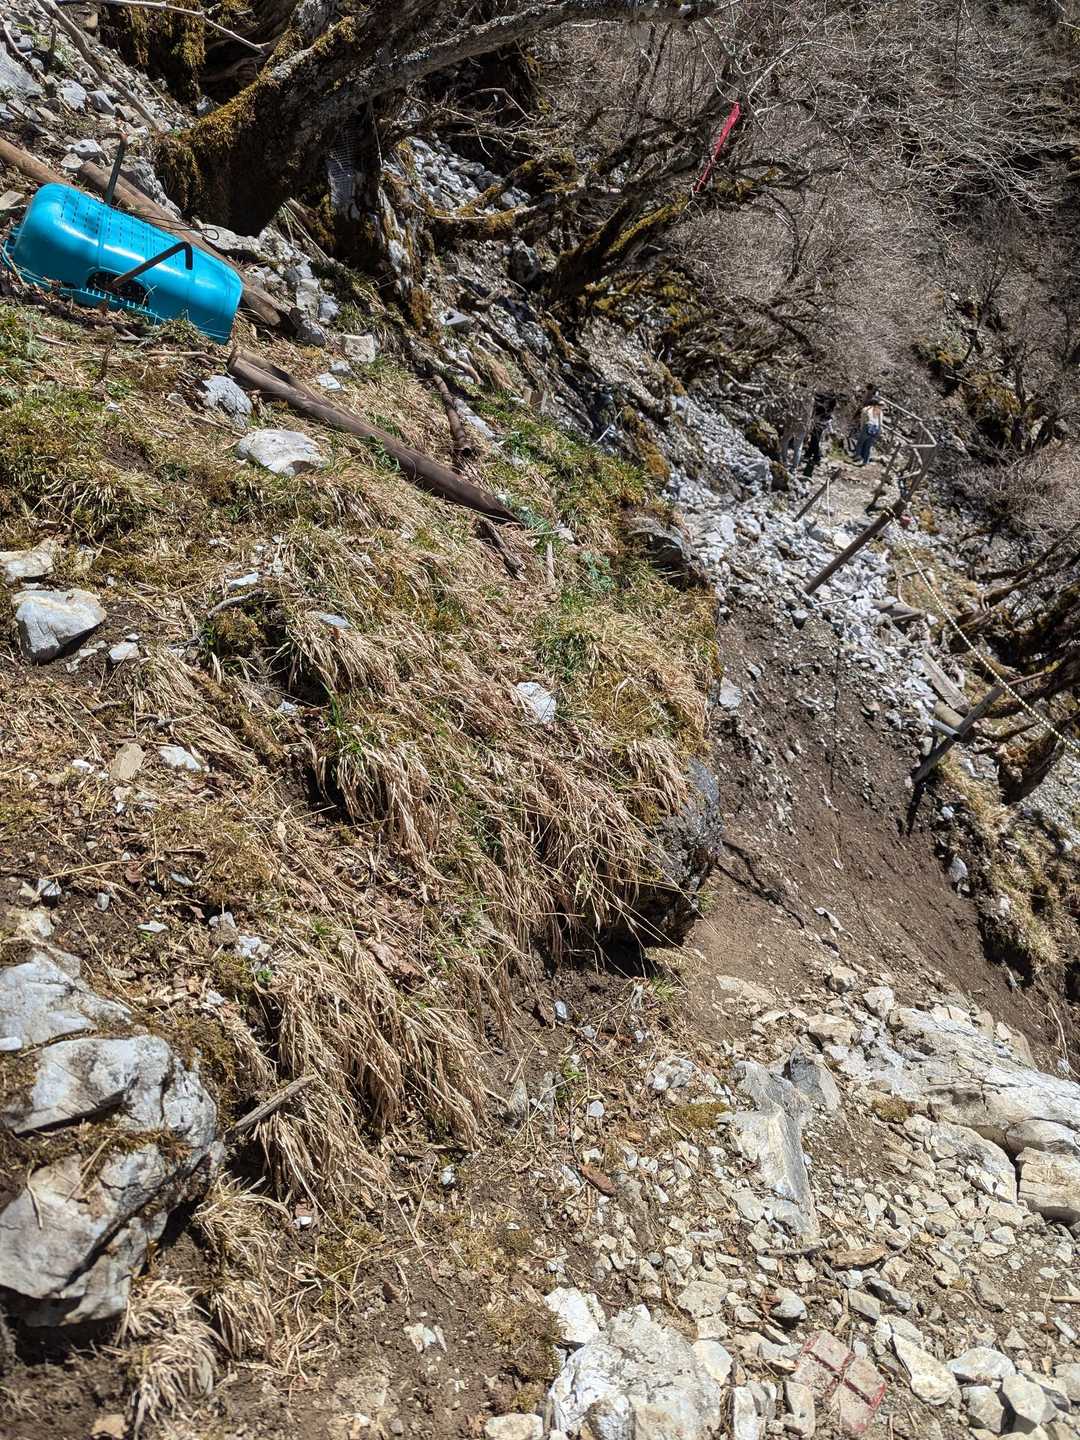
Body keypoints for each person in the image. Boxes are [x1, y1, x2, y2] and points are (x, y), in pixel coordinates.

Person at [803, 394, 837, 479]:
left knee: (815, 442)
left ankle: (815, 457)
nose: (826, 402)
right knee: (814, 441)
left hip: (819, 427)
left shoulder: (826, 410)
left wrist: (831, 431)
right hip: (818, 426)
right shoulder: (823, 408)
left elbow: (827, 421)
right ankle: (811, 456)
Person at [855, 398, 884, 466]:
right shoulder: (880, 412)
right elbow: (880, 423)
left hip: (867, 426)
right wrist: (879, 431)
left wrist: (862, 427)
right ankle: (865, 461)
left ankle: (858, 457)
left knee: (860, 443)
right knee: (868, 446)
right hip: (875, 428)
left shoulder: (866, 409)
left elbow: (863, 420)